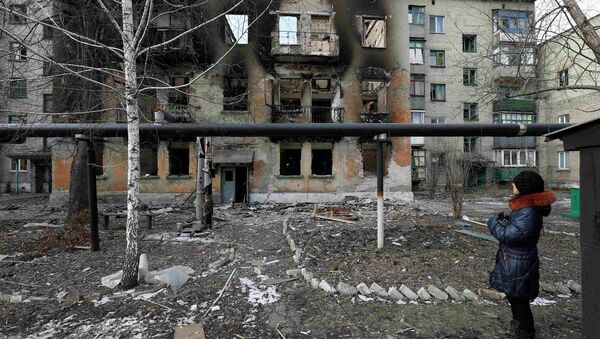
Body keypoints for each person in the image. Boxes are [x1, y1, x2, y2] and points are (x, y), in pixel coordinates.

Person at [487, 171, 556, 339]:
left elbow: (511, 235)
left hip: (519, 263)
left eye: (515, 184)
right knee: (515, 298)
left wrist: (493, 223)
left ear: (524, 188)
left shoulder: (528, 210)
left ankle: (525, 334)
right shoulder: (525, 208)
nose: (513, 186)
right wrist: (507, 221)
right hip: (516, 260)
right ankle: (519, 331)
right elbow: (519, 230)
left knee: (520, 302)